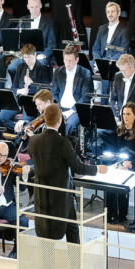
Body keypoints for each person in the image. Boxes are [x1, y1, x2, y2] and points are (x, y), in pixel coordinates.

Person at [30, 104, 107, 242]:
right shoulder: (63, 142)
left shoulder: (33, 141)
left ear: (44, 119)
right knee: (71, 231)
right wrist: (97, 169)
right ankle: (75, 262)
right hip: (61, 196)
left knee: (50, 236)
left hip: (41, 195)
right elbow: (78, 167)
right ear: (59, 120)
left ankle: (50, 263)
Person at [104, 103, 135, 227]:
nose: (125, 117)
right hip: (122, 163)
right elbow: (116, 150)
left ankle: (121, 215)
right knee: (111, 179)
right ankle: (111, 214)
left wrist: (130, 164)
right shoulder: (119, 130)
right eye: (123, 114)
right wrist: (122, 163)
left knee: (123, 178)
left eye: (128, 114)